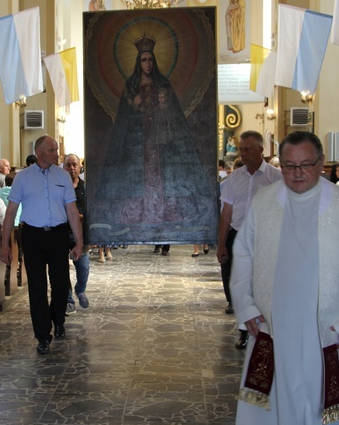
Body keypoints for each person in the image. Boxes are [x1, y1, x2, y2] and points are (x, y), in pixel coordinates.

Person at [231, 131, 339, 425]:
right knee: (271, 403)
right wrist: (247, 306)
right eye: (290, 166)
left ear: (321, 163)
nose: (297, 173)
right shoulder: (264, 202)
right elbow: (244, 254)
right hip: (273, 322)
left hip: (325, 327)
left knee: (324, 408)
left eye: (306, 165)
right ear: (280, 166)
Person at [91, 34, 215, 243]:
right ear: (138, 63)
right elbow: (123, 119)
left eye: (150, 60)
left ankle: (163, 214)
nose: (147, 64)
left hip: (161, 140)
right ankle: (138, 215)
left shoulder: (163, 84)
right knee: (139, 175)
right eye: (143, 60)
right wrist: (136, 110)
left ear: (154, 62)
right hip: (136, 142)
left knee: (163, 174)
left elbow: (174, 112)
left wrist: (162, 110)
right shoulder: (130, 88)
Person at [0, 136, 84, 355]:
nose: (57, 153)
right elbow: (10, 212)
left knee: (60, 283)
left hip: (57, 235)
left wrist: (79, 242)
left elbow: (72, 211)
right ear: (39, 152)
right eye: (52, 150)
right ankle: (42, 335)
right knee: (37, 287)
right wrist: (5, 244)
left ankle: (58, 320)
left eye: (56, 149)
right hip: (33, 235)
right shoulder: (23, 178)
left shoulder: (63, 176)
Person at [216, 131, 282, 349]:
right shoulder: (234, 178)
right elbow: (227, 213)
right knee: (241, 283)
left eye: (247, 149)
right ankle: (244, 330)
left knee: (262, 284)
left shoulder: (275, 177)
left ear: (261, 150)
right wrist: (222, 243)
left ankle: (265, 328)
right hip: (238, 234)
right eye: (241, 149)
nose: (242, 153)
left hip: (265, 238)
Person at [63, 154, 91, 313]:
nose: (72, 168)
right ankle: (68, 299)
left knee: (83, 266)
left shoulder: (85, 187)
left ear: (80, 167)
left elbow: (91, 210)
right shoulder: (58, 187)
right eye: (68, 165)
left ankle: (80, 289)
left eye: (74, 165)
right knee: (61, 269)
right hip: (61, 232)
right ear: (63, 167)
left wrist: (82, 217)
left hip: (79, 233)